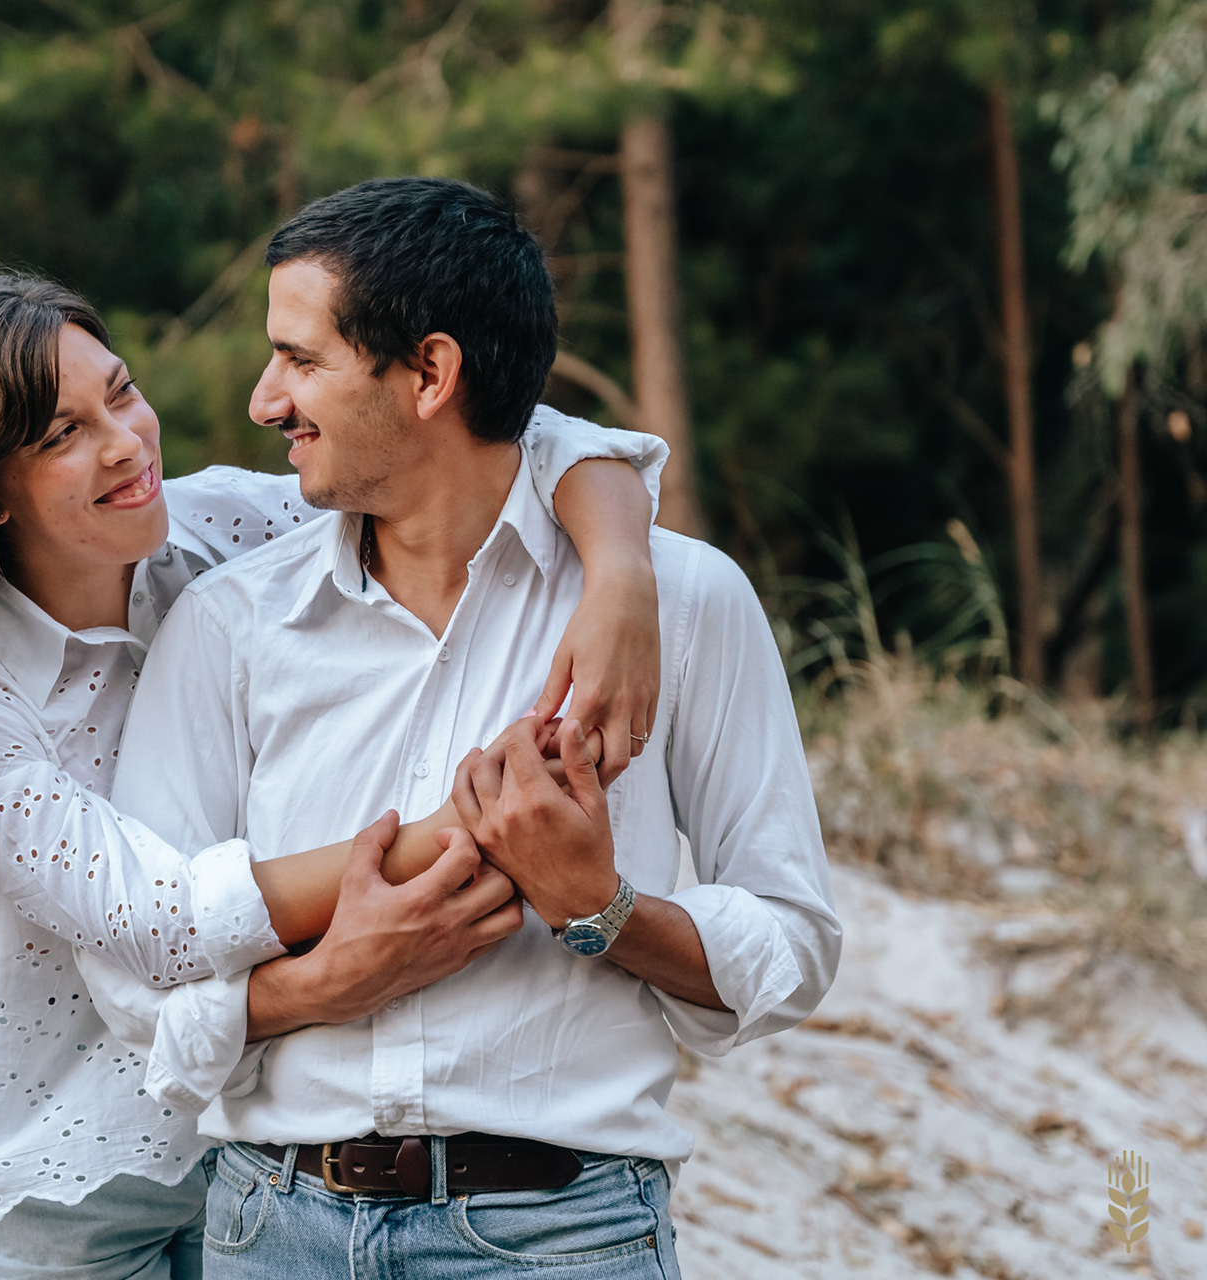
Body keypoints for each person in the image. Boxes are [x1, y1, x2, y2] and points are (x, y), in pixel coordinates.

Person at [0, 270, 671, 1279]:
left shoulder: (221, 532)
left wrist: (622, 580)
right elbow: (163, 914)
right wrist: (476, 824)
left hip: (257, 1156)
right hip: (63, 1176)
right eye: (62, 434)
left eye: (120, 392)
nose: (124, 442)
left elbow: (493, 453)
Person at [103, 178, 843, 1278]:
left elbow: (792, 946)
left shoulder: (681, 604)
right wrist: (328, 979)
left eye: (301, 359)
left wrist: (601, 908)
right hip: (274, 1231)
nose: (266, 399)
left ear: (432, 375)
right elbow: (135, 982)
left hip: (564, 1239)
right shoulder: (226, 623)